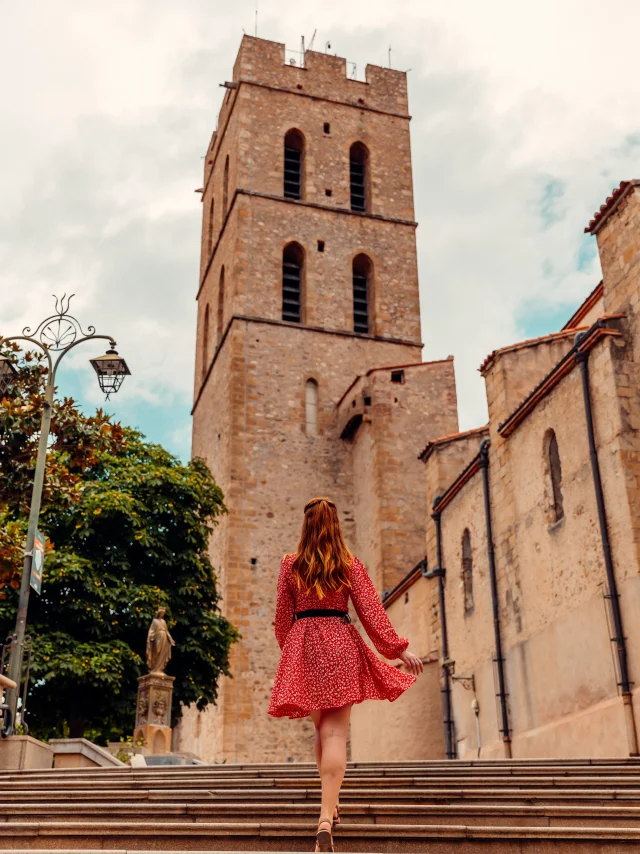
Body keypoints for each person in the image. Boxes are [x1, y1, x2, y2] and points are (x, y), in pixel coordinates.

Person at [268, 497, 423, 852]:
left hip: (304, 646)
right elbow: (371, 612)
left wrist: (290, 652)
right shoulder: (349, 564)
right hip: (340, 644)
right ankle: (326, 813)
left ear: (305, 526)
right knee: (336, 734)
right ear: (336, 526)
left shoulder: (290, 565)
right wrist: (399, 649)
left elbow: (282, 619)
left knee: (321, 730)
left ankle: (329, 806)